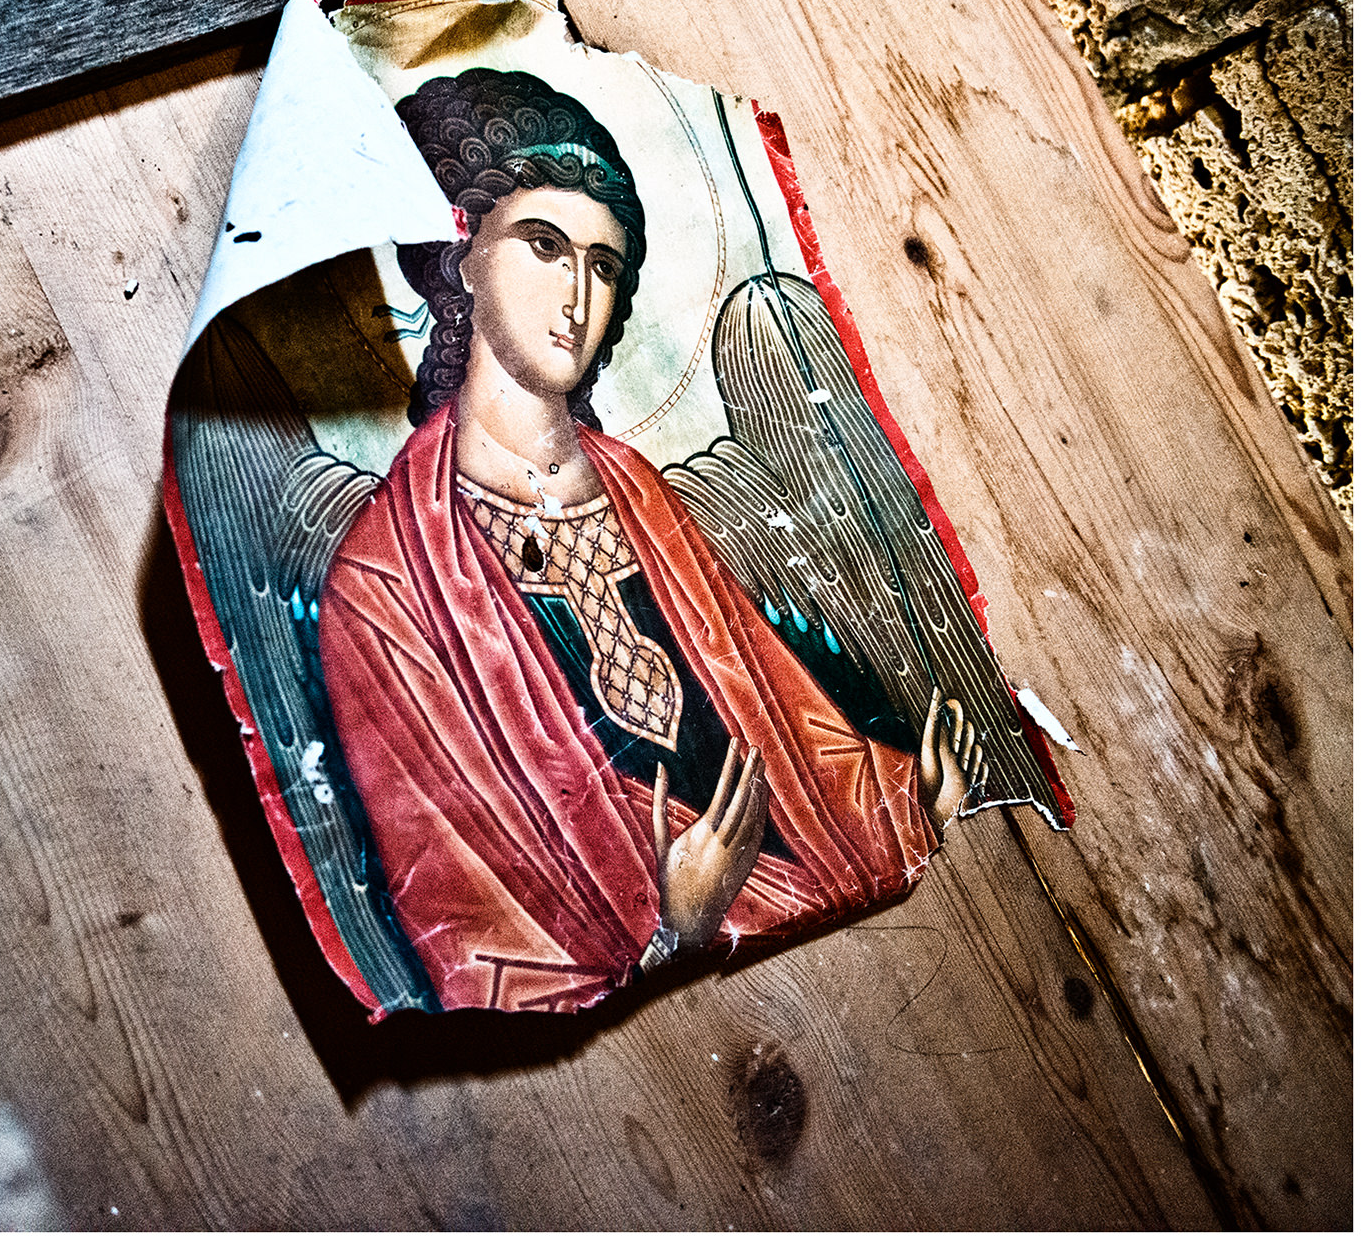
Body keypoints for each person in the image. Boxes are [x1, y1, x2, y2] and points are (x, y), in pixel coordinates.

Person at [316, 68, 981, 1013]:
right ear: (463, 251)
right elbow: (462, 919)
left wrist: (908, 795)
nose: (577, 295)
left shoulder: (635, 489)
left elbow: (784, 723)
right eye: (545, 246)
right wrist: (673, 927)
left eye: (604, 264)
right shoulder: (386, 581)